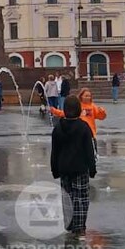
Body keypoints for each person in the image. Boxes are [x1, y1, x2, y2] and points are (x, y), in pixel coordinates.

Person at [50, 95, 96, 235]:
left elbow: (55, 151)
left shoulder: (58, 128)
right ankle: (79, 226)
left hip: (64, 169)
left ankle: (69, 224)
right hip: (80, 168)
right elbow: (89, 150)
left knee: (67, 198)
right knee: (81, 197)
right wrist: (92, 168)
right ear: (78, 110)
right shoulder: (83, 127)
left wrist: (55, 169)